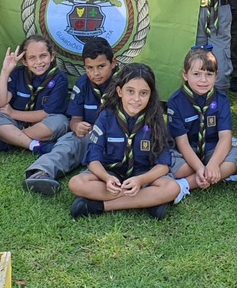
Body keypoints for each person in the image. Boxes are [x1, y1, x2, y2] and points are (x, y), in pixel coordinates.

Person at [68, 63, 180, 219]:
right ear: (120, 91)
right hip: (111, 174)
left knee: (172, 187)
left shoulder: (155, 118)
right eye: (130, 91)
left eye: (143, 93)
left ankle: (99, 206)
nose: (136, 99)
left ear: (151, 94)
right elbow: (93, 158)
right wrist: (106, 178)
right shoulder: (106, 117)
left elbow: (163, 165)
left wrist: (140, 180)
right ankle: (147, 201)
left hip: (142, 175)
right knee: (76, 183)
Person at [24, 37, 117, 196]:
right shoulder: (82, 84)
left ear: (113, 63)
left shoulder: (124, 83)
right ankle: (41, 173)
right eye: (90, 68)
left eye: (101, 66)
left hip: (117, 139)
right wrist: (77, 127)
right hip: (90, 137)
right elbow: (75, 119)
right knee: (68, 141)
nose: (95, 73)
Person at [166, 47, 237, 203]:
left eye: (209, 74)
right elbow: (182, 143)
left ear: (216, 76)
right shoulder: (175, 101)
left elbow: (225, 137)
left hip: (211, 149)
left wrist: (213, 164)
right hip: (185, 152)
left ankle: (186, 184)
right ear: (185, 75)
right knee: (176, 167)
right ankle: (205, 175)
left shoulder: (221, 99)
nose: (203, 80)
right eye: (197, 74)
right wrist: (200, 168)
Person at [0, 35, 70, 153]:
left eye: (43, 56)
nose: (39, 62)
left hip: (40, 125)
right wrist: (5, 71)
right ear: (24, 61)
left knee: (61, 121)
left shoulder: (60, 78)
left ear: (52, 56)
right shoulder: (17, 74)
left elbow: (46, 113)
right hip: (14, 124)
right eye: (32, 58)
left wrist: (13, 113)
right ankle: (33, 145)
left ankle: (8, 140)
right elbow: (0, 102)